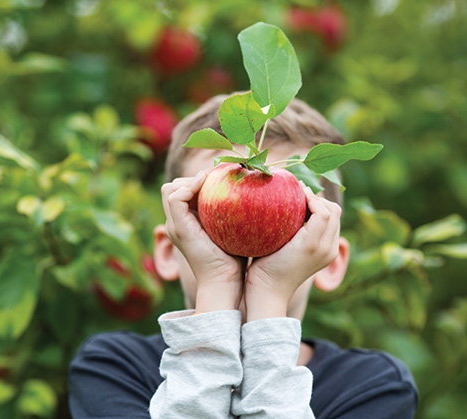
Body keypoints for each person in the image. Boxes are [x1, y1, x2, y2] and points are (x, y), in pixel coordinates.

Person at [68, 94, 418, 418]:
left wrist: (269, 293)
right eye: (208, 221)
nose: (247, 253)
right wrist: (217, 282)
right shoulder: (113, 367)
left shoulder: (371, 388)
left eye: (292, 225)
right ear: (169, 251)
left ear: (330, 260)